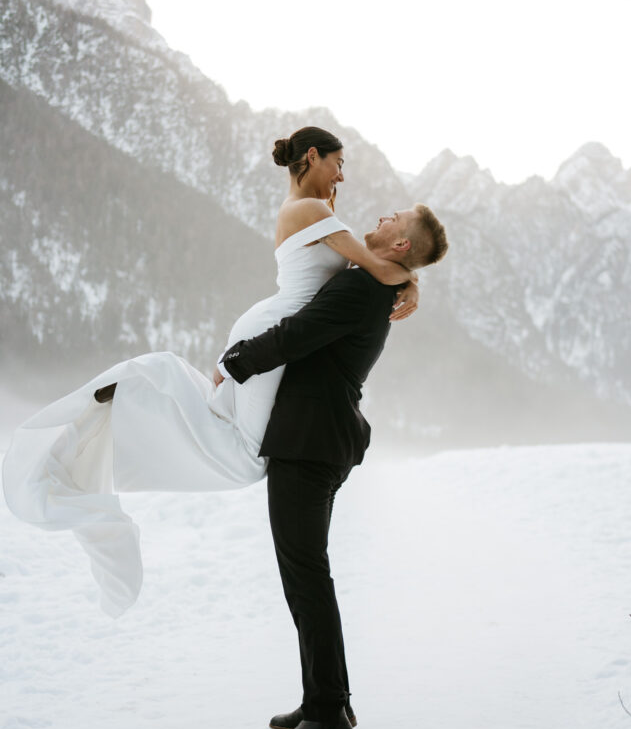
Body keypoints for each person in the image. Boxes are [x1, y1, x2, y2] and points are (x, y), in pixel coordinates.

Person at [2, 127, 419, 617]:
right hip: (271, 338)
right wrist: (412, 283)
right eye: (339, 163)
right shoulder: (311, 211)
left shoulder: (313, 211)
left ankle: (132, 403)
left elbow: (372, 266)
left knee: (230, 433)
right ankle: (113, 417)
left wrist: (406, 281)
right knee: (246, 455)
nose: (343, 176)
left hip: (269, 334)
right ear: (312, 156)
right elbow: (376, 263)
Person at [217, 204, 449, 729]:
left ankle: (327, 717)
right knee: (306, 575)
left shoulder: (362, 290)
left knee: (306, 576)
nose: (384, 212)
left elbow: (298, 335)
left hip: (311, 442)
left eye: (396, 216)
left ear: (399, 246)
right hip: (320, 438)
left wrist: (236, 361)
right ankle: (328, 701)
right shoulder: (375, 281)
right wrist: (412, 280)